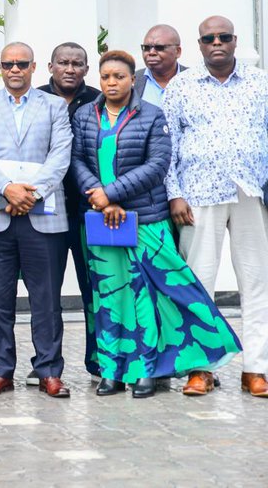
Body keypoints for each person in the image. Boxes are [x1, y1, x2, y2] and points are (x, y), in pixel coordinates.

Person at [72, 49, 240, 398]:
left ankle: (145, 371)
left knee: (147, 295)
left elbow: (157, 165)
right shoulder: (86, 115)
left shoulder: (151, 114)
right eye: (106, 77)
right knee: (109, 297)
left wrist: (112, 194)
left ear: (132, 80)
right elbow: (77, 160)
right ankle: (111, 372)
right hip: (102, 221)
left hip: (145, 220)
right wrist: (101, 198)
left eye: (119, 77)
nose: (112, 83)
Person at [163, 16, 268, 398]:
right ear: (200, 45)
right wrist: (174, 194)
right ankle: (200, 369)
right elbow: (167, 146)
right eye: (209, 38)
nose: (217, 43)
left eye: (224, 37)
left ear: (235, 41)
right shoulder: (182, 86)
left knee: (257, 282)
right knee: (198, 282)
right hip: (198, 197)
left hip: (251, 192)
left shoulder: (260, 83)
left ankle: (256, 369)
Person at [0, 43, 72, 399]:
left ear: (34, 67)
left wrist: (32, 194)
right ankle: (1, 370)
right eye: (8, 64)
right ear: (0, 68)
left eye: (21, 64)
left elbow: (60, 155)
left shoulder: (55, 106)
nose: (15, 69)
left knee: (47, 300)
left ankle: (49, 370)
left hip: (43, 216)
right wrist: (6, 190)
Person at [36, 40, 102, 383]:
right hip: (43, 210)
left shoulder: (99, 100)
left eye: (77, 64)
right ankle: (46, 364)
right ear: (51, 66)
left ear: (86, 69)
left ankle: (99, 359)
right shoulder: (35, 98)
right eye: (63, 62)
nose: (70, 69)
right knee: (45, 292)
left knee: (95, 288)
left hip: (90, 210)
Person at [135, 24, 187, 108]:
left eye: (159, 47)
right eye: (146, 48)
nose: (151, 52)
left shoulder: (195, 80)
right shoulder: (133, 81)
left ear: (177, 51)